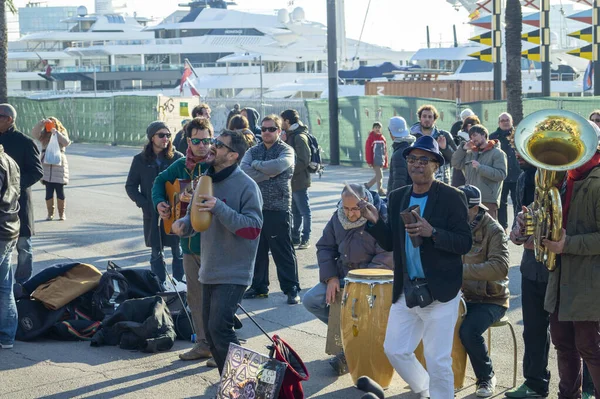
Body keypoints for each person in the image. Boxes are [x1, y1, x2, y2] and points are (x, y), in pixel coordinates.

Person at [361, 135, 472, 399]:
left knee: (437, 358)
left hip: (441, 291)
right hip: (408, 289)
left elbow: (464, 243)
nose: (417, 164)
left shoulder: (452, 196)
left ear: (436, 165)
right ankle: (424, 388)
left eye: (424, 160)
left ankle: (441, 395)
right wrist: (376, 222)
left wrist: (433, 232)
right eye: (412, 159)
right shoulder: (398, 196)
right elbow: (392, 243)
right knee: (395, 349)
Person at [171, 130, 263, 373]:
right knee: (212, 334)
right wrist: (183, 225)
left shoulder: (247, 185)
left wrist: (219, 208)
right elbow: (195, 222)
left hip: (234, 271)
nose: (211, 147)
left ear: (233, 155)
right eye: (213, 142)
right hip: (209, 268)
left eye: (219, 145)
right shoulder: (205, 181)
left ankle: (246, 383)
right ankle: (232, 383)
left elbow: (253, 229)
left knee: (221, 328)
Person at [303, 183, 393, 375]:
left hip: (371, 280)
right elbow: (325, 247)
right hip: (343, 275)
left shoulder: (380, 216)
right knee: (311, 300)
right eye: (346, 208)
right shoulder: (338, 216)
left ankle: (356, 345)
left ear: (365, 202)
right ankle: (350, 337)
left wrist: (360, 283)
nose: (350, 214)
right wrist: (331, 278)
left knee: (359, 309)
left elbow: (386, 255)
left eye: (354, 209)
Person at [152, 117, 214, 363]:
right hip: (188, 244)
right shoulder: (180, 165)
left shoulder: (217, 164)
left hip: (213, 244)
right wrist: (161, 203)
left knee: (216, 298)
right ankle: (202, 344)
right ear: (189, 141)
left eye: (206, 140)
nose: (202, 146)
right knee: (195, 297)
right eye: (197, 141)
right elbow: (159, 182)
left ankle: (219, 347)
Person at [541, 146, 600, 399]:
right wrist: (531, 225)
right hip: (560, 276)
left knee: (589, 346)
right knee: (562, 343)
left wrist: (568, 244)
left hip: (589, 279)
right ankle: (567, 396)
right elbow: (551, 220)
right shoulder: (564, 179)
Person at [241, 115, 300, 304]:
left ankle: (291, 288)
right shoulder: (253, 150)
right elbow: (243, 171)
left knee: (282, 251)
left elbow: (280, 165)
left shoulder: (286, 150)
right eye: (264, 129)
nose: (266, 132)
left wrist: (257, 167)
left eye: (271, 129)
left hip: (278, 208)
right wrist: (269, 173)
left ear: (280, 131)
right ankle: (259, 287)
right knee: (257, 250)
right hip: (255, 208)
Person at [506, 156, 552, 399]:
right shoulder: (526, 177)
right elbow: (522, 217)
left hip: (563, 266)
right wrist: (519, 232)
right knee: (533, 329)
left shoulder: (573, 179)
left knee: (576, 335)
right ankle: (535, 383)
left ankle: (587, 387)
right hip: (532, 265)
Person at [457, 185, 510, 398]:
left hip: (491, 299)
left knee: (468, 331)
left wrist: (460, 272)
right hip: (463, 295)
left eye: (460, 209)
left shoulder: (494, 230)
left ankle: (486, 377)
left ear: (474, 208)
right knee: (432, 319)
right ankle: (444, 376)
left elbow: (500, 267)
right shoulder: (458, 226)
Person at [126, 121, 184, 285]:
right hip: (152, 214)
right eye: (161, 135)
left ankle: (180, 284)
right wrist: (146, 204)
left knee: (177, 251)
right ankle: (159, 285)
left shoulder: (178, 158)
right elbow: (130, 186)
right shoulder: (140, 160)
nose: (165, 138)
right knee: (156, 252)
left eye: (168, 135)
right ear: (152, 137)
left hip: (176, 213)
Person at [0, 104, 43, 288]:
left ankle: (23, 285)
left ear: (9, 119)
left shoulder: (24, 142)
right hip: (1, 207)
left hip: (19, 203)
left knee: (23, 246)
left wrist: (13, 186)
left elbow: (37, 172)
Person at [451, 124, 507, 220]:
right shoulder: (469, 153)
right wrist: (463, 149)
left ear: (484, 135)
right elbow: (455, 163)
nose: (472, 138)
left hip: (487, 200)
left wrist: (480, 168)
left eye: (475, 135)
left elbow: (501, 174)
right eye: (471, 136)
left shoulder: (498, 153)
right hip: (470, 199)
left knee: (489, 231)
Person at [281, 109, 312, 250]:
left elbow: (304, 159)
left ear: (287, 121)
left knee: (304, 211)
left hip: (299, 180)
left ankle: (305, 238)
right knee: (295, 211)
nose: (280, 123)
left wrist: (290, 169)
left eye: (282, 120)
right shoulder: (290, 135)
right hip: (293, 181)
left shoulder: (299, 136)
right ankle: (295, 237)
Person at [30, 117, 71, 221]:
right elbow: (34, 134)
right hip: (46, 164)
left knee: (60, 190)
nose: (50, 125)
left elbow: (66, 142)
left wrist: (56, 133)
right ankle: (50, 214)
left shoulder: (61, 132)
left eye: (52, 123)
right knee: (48, 190)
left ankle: (62, 213)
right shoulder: (44, 135)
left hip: (59, 164)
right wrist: (41, 123)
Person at [0, 144, 21, 349]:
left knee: (5, 286)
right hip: (9, 228)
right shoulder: (10, 160)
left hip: (2, 229)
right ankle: (6, 337)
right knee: (5, 287)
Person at [410, 104, 457, 185]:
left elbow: (456, 160)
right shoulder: (412, 136)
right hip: (417, 180)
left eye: (430, 117)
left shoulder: (444, 135)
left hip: (441, 181)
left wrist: (444, 148)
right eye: (424, 116)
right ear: (420, 118)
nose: (427, 119)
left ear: (434, 119)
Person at [490, 113, 521, 232]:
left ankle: (517, 227)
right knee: (501, 203)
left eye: (507, 120)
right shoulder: (493, 137)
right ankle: (503, 227)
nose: (505, 122)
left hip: (517, 174)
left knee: (518, 201)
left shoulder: (518, 135)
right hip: (501, 175)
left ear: (512, 121)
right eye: (502, 120)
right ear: (499, 123)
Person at [387, 116, 414, 193]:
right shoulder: (411, 147)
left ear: (391, 132)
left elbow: (399, 182)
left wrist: (393, 200)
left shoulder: (398, 154)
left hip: (401, 200)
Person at [452, 115, 481, 187]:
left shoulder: (458, 137)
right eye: (476, 125)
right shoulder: (460, 140)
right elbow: (455, 161)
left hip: (464, 179)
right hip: (462, 178)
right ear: (469, 126)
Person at [364, 122, 388, 196]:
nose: (377, 129)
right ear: (373, 129)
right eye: (376, 127)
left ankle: (368, 185)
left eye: (379, 127)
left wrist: (386, 162)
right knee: (380, 175)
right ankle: (380, 190)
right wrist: (369, 161)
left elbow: (385, 151)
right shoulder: (371, 138)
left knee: (378, 175)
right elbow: (368, 150)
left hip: (381, 160)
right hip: (375, 161)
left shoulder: (382, 138)